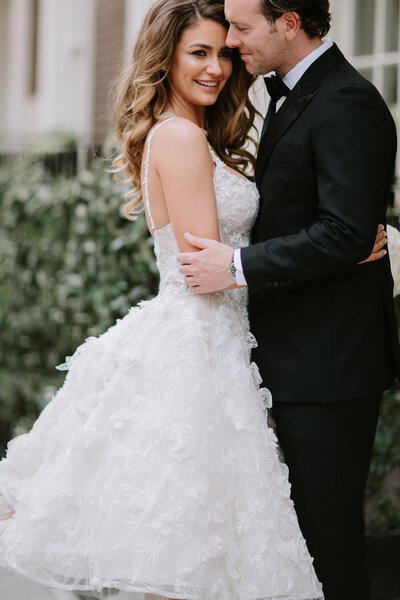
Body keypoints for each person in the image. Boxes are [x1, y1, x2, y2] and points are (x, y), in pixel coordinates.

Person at [0, 1, 386, 599]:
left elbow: (289, 230)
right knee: (192, 539)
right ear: (165, 59)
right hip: (203, 343)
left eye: (226, 46)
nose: (220, 62)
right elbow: (214, 265)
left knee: (212, 536)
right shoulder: (180, 136)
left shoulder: (224, 127)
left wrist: (346, 239)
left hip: (238, 344)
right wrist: (342, 243)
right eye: (199, 52)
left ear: (288, 22)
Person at [177, 1, 400, 599]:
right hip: (286, 352)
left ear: (290, 22)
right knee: (290, 538)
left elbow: (344, 232)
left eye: (243, 28)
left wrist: (237, 264)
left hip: (328, 362)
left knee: (326, 538)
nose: (230, 40)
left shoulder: (346, 101)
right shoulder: (291, 94)